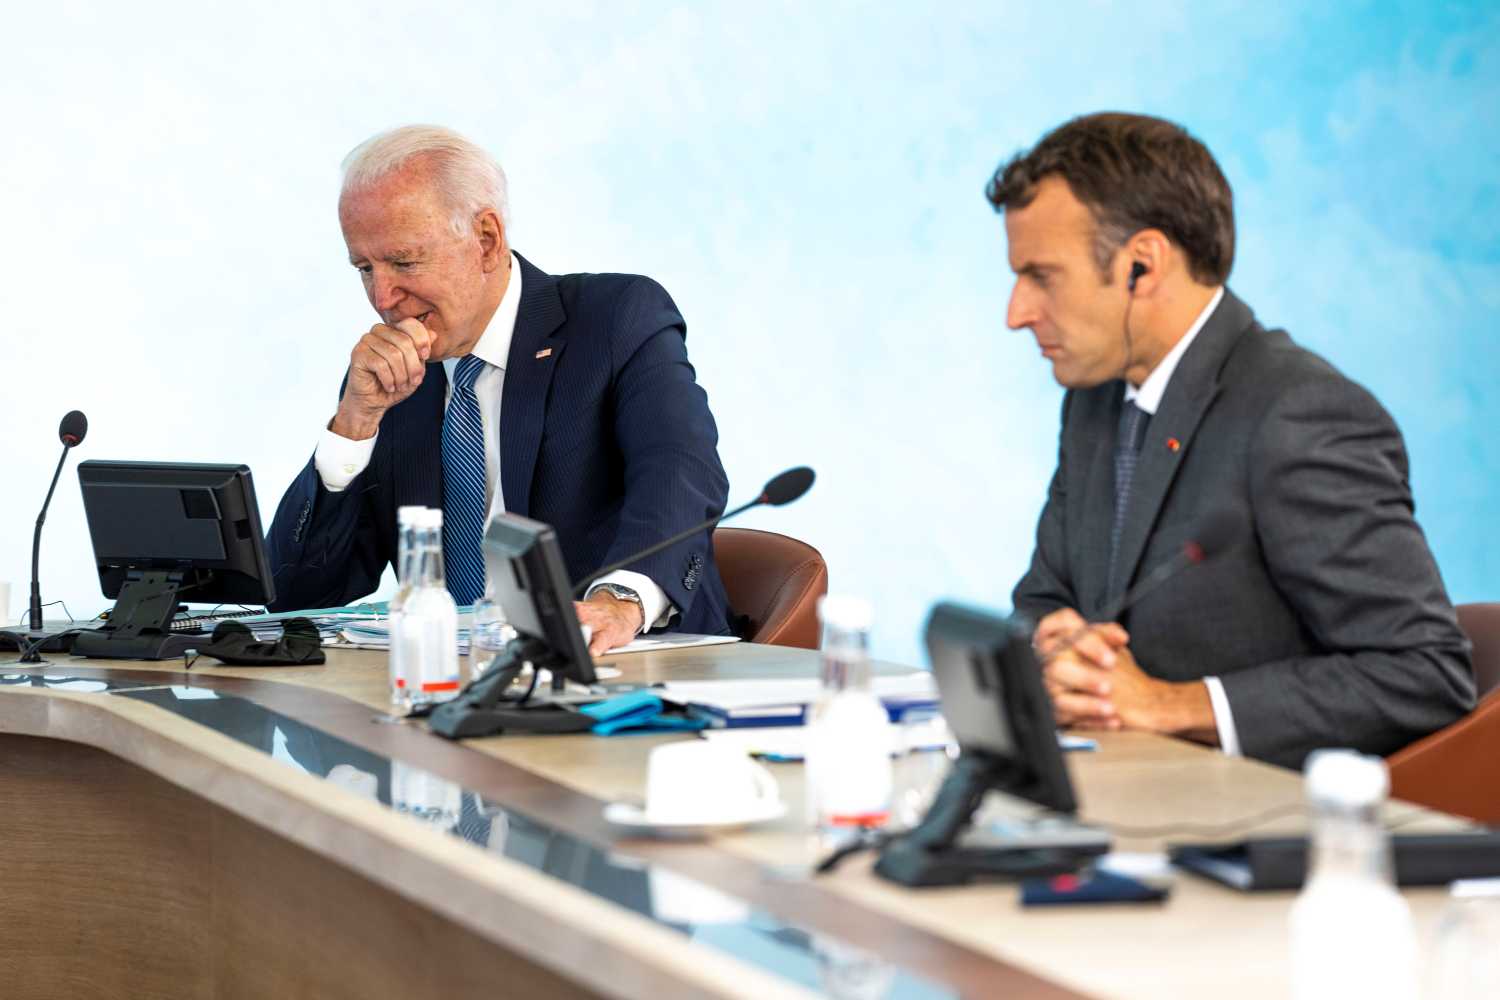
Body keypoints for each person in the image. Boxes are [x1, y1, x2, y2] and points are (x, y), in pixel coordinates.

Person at [989, 112, 1473, 769]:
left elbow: (1425, 675)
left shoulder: (1302, 414)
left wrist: (1168, 704)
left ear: (1143, 264)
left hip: (1258, 834)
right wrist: (1056, 648)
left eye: (1042, 276)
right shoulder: (1093, 401)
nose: (1016, 313)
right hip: (1120, 795)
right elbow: (1043, 599)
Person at [265, 125, 733, 654]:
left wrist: (620, 602)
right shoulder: (390, 382)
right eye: (364, 268)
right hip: (446, 684)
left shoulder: (615, 319)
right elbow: (297, 596)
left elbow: (681, 472)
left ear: (486, 239)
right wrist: (353, 426)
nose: (383, 296)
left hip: (621, 670)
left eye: (403, 262)